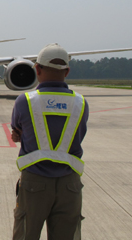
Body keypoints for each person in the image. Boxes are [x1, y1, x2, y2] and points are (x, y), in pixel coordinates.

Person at [11, 43, 89, 240]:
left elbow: (17, 129)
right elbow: (79, 134)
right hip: (70, 185)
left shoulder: (25, 101)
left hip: (34, 182)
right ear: (67, 72)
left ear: (37, 69)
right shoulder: (81, 103)